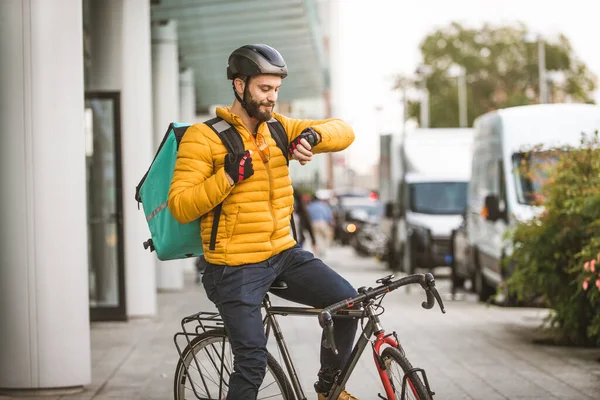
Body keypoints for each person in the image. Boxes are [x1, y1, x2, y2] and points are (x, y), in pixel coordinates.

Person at [168, 44, 358, 400]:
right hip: (233, 266)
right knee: (252, 363)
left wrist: (313, 136)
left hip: (283, 254)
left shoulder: (279, 129)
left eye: (276, 90)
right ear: (240, 86)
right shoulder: (203, 137)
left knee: (348, 303)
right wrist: (226, 177)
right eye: (264, 89)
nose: (272, 98)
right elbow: (180, 206)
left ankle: (328, 390)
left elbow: (344, 130)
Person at [293, 188, 318, 254]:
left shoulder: (302, 213)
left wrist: (313, 241)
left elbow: (309, 226)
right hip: (286, 243)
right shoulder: (282, 212)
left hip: (299, 242)